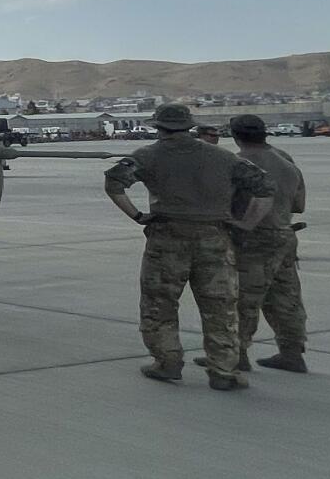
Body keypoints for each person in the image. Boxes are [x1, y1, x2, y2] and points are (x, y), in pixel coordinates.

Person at [106, 103, 273, 389]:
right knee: (220, 307)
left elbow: (114, 183)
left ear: (157, 127)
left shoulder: (146, 156)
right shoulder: (222, 157)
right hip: (214, 238)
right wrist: (246, 224)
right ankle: (223, 371)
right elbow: (265, 187)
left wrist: (137, 216)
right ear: (190, 126)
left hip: (167, 237)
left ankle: (167, 361)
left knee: (159, 304)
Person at [219, 114, 308, 373]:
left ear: (234, 135)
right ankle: (292, 351)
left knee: (243, 297)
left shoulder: (238, 164)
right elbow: (299, 205)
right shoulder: (286, 160)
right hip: (285, 234)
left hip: (251, 238)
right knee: (286, 296)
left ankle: (237, 353)